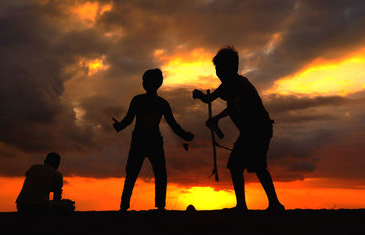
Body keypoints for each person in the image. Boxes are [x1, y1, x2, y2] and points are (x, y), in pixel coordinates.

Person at [193, 46, 285, 212]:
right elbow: (211, 99)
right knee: (237, 166)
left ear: (229, 69)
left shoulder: (242, 85)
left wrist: (217, 117)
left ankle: (273, 204)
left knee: (255, 166)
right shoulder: (226, 86)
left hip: (259, 130)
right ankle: (246, 205)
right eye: (216, 69)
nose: (217, 72)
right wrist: (201, 97)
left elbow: (239, 107)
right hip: (250, 132)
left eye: (219, 68)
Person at [113, 68, 194, 212]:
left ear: (157, 83)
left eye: (148, 80)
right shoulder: (149, 102)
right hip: (144, 140)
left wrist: (185, 135)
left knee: (155, 173)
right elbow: (129, 119)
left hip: (149, 141)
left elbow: (172, 124)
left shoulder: (152, 102)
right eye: (145, 81)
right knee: (135, 173)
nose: (145, 83)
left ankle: (153, 206)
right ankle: (127, 205)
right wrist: (119, 126)